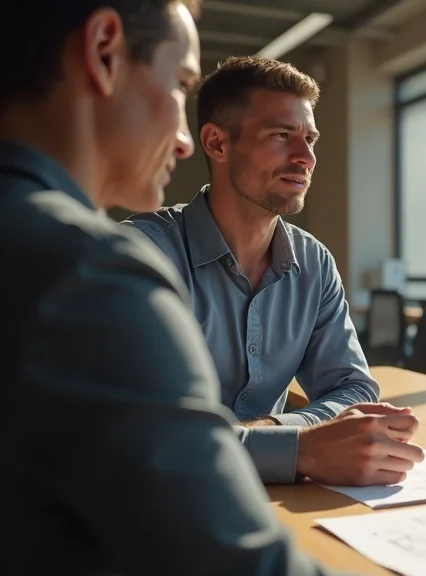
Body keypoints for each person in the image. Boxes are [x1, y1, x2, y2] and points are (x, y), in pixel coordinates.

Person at [1, 1, 361, 574]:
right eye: (179, 84)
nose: (184, 142)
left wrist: (270, 434)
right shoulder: (90, 270)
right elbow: (227, 559)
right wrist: (299, 446)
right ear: (102, 52)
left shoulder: (33, 243)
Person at [123, 56, 424, 487]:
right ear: (217, 143)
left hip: (277, 499)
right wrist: (301, 446)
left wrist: (281, 437)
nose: (306, 158)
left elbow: (354, 388)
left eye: (310, 139)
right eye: (282, 136)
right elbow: (143, 434)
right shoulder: (141, 256)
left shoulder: (315, 263)